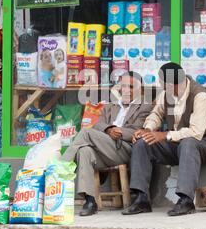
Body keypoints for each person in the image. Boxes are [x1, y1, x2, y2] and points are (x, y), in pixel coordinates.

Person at [122, 63, 206, 217]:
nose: (160, 85)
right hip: (176, 144)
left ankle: (186, 200)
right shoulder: (166, 95)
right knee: (143, 142)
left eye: (161, 82)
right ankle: (142, 199)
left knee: (188, 142)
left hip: (203, 144)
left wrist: (165, 135)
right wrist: (147, 130)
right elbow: (156, 114)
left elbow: (196, 133)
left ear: (169, 84)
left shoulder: (200, 96)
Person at [61, 72, 153, 216]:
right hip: (105, 147)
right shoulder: (111, 106)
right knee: (84, 151)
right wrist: (109, 129)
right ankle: (90, 201)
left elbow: (138, 131)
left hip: (126, 149)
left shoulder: (145, 106)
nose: (126, 90)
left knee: (85, 132)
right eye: (123, 86)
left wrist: (119, 131)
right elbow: (97, 124)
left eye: (130, 86)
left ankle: (60, 168)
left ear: (140, 89)